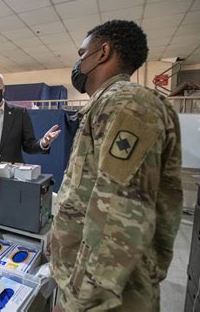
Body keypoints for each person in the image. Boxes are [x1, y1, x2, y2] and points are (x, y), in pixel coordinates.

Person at [51, 20, 182, 311]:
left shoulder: (126, 103)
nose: (78, 61)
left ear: (103, 52)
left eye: (82, 53)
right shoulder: (107, 104)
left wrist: (84, 298)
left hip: (105, 294)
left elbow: (118, 214)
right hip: (93, 278)